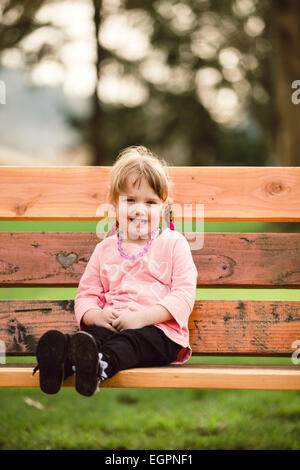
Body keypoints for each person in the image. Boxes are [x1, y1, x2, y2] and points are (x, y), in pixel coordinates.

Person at [34, 145, 198, 397]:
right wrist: (95, 316)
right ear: (114, 205)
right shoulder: (105, 249)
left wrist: (141, 318)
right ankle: (58, 362)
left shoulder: (174, 244)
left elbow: (183, 297)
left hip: (160, 332)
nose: (139, 210)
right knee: (92, 336)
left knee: (130, 342)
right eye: (130, 200)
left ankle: (98, 365)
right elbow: (86, 294)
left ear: (164, 207)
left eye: (150, 202)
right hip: (113, 325)